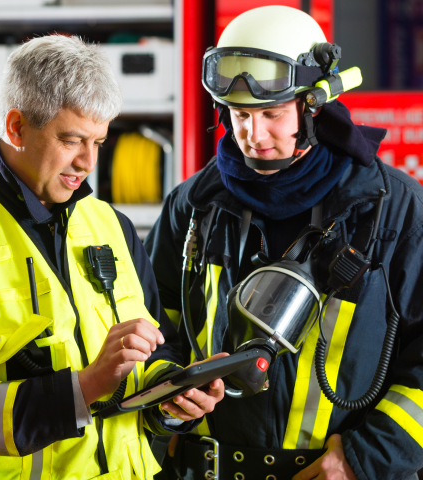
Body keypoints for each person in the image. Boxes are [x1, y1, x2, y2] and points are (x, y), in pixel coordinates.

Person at [0, 34, 225, 480]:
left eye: (98, 141)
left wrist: (175, 399)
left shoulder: (111, 226)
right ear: (16, 128)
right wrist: (84, 389)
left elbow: (160, 347)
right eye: (72, 140)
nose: (88, 162)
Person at [145, 5, 423, 480]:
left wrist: (363, 459)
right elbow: (153, 328)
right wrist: (165, 395)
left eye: (272, 114)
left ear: (314, 106)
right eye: (238, 114)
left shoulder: (394, 210)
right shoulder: (193, 205)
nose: (253, 135)